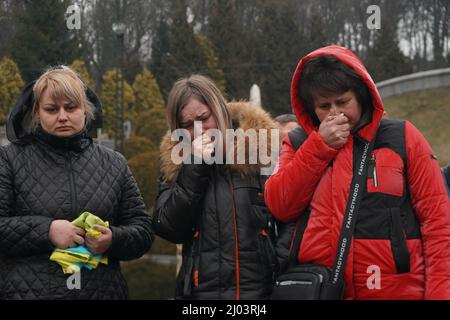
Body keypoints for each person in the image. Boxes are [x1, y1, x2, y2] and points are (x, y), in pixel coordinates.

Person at [264, 45, 450, 299]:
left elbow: (438, 222)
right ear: (310, 107)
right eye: (324, 105)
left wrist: (440, 294)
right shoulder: (299, 143)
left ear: (362, 96)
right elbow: (280, 205)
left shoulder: (402, 138)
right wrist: (319, 148)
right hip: (320, 290)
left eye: (342, 102)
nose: (334, 113)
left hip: (397, 291)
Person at [0, 66, 154, 300]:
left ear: (85, 110)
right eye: (52, 109)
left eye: (71, 107)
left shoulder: (114, 164)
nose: (62, 116)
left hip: (102, 292)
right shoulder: (9, 159)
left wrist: (113, 238)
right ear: (37, 113)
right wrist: (47, 231)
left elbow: (143, 230)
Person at [153, 74, 278, 299]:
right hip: (202, 295)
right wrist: (195, 166)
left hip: (260, 294)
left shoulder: (261, 151)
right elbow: (167, 227)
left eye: (204, 118)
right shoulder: (177, 162)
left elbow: (289, 218)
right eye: (188, 125)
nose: (200, 130)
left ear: (220, 109)